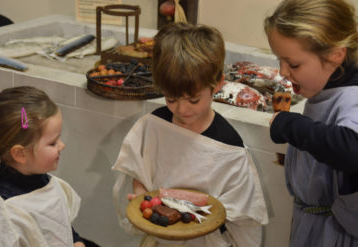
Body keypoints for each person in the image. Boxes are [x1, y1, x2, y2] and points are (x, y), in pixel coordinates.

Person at [112, 22, 268, 247]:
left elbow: (245, 219)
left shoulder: (229, 146)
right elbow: (140, 170)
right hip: (159, 239)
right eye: (171, 98)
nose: (182, 110)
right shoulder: (154, 124)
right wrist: (142, 196)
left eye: (193, 100)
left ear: (217, 85)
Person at [264, 0, 358, 246]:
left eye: (293, 64)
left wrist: (289, 125)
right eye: (279, 60)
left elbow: (352, 147)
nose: (283, 71)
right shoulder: (326, 85)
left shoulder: (352, 96)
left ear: (336, 55)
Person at [0, 86, 87, 247]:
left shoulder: (45, 182)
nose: (62, 145)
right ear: (20, 154)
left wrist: (76, 241)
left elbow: (60, 226)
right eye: (53, 142)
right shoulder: (5, 216)